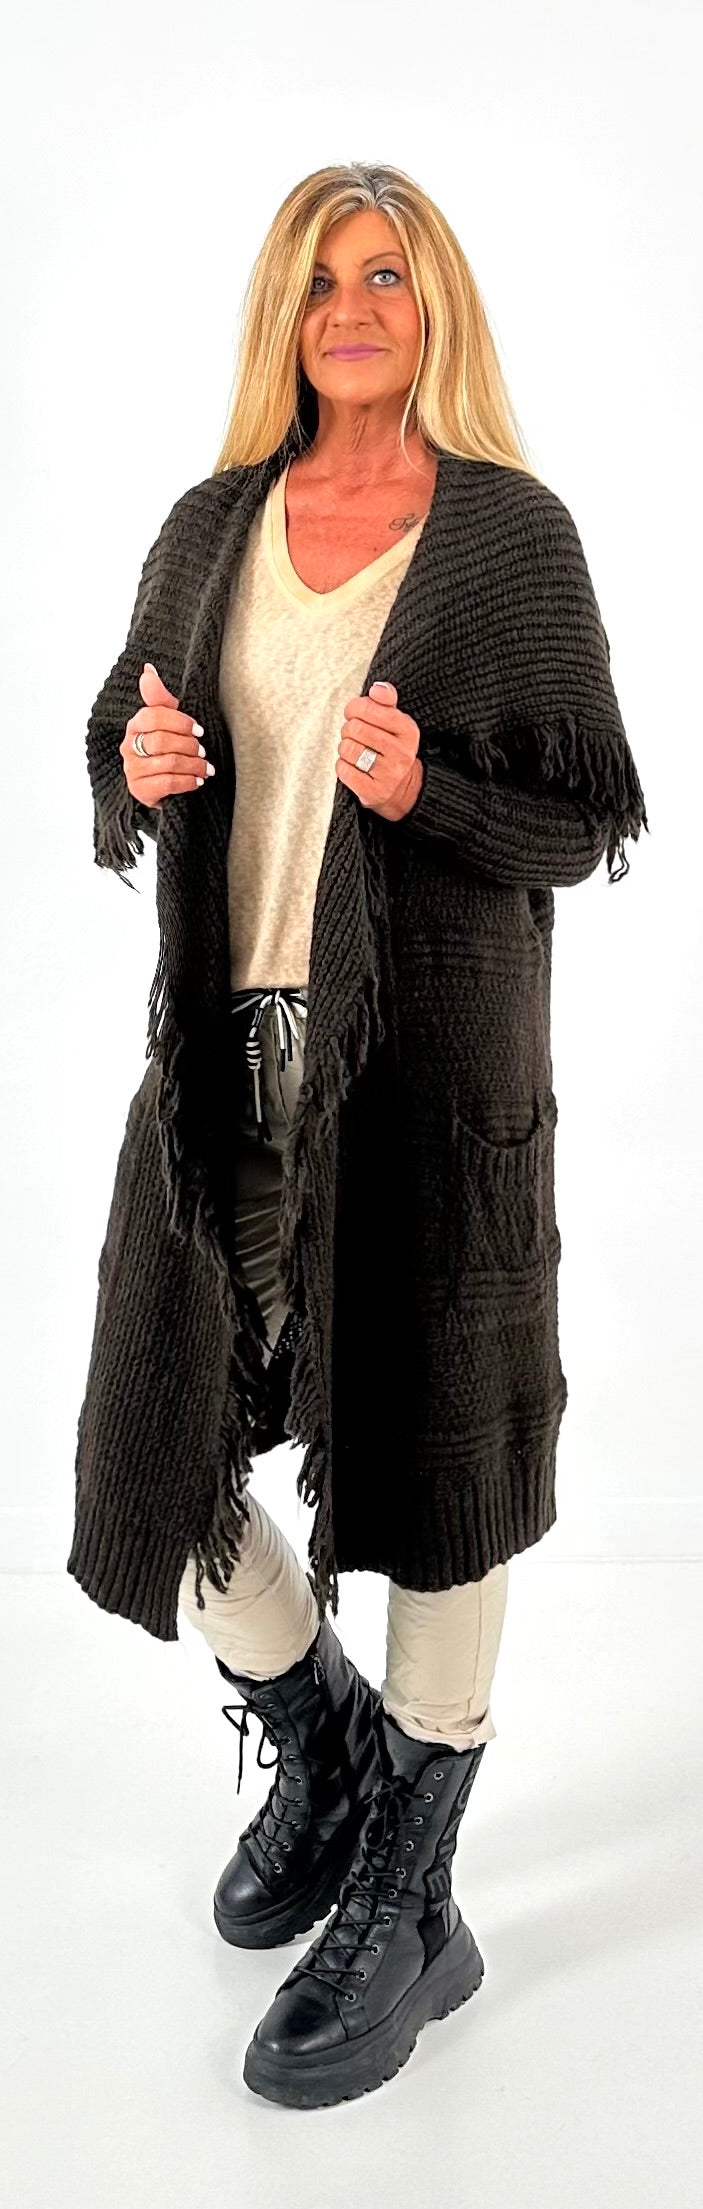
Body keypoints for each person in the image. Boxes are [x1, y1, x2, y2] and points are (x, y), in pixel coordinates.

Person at [68, 162, 649, 2112]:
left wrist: (432, 795)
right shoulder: (210, 525)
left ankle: (412, 1887)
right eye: (322, 279)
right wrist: (138, 765)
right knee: (160, 1439)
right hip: (222, 1063)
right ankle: (322, 1742)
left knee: (439, 1448)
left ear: (432, 303)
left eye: (385, 274)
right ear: (285, 312)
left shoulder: (509, 538)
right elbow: (116, 740)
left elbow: (585, 819)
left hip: (430, 1074)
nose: (353, 306)